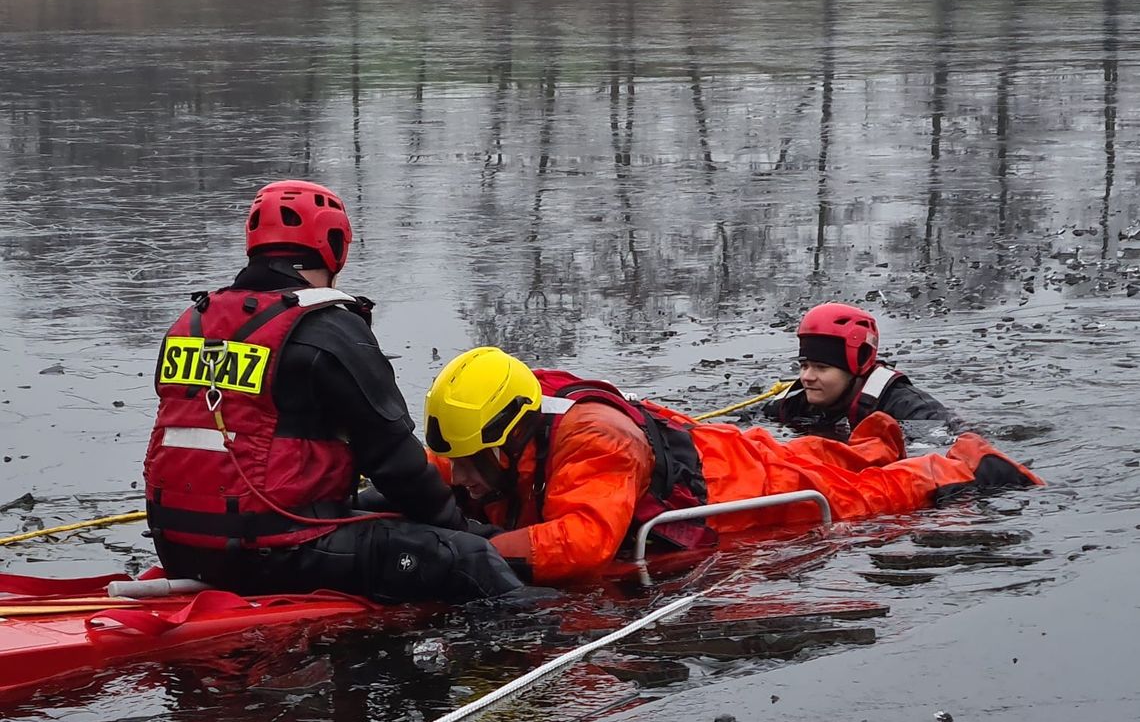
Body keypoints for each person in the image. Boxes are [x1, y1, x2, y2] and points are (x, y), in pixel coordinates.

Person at [142, 179, 524, 604]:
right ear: (334, 244)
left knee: (380, 506)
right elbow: (396, 463)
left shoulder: (191, 323)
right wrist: (464, 533)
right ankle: (554, 644)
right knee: (469, 559)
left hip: (177, 546)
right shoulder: (328, 327)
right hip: (271, 555)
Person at [422, 347, 1042, 586]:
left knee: (854, 498)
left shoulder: (592, 442)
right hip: (698, 452)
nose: (463, 479)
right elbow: (439, 466)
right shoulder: (491, 433)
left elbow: (582, 542)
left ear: (508, 438)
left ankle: (965, 466)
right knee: (825, 458)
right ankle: (877, 442)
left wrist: (466, 552)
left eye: (473, 466)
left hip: (727, 483)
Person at [756, 303, 959, 438]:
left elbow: (955, 439)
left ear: (856, 367)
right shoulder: (794, 401)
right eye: (804, 366)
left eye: (822, 368)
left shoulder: (907, 407)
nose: (807, 377)